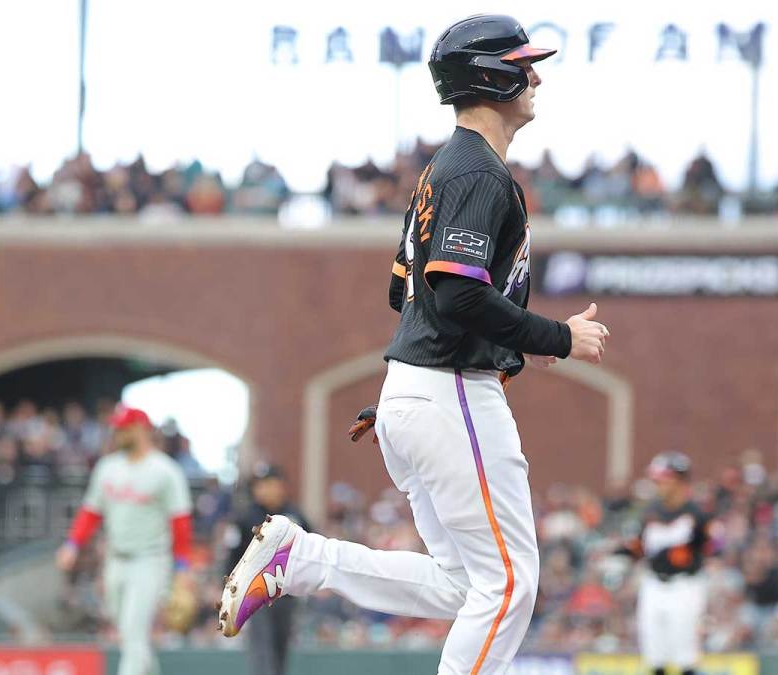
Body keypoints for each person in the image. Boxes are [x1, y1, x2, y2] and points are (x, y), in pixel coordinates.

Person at [216, 15, 609, 674]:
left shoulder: (445, 170)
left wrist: (516, 345)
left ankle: (304, 558)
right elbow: (452, 296)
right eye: (523, 62)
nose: (535, 74)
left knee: (465, 585)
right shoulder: (476, 172)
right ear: (492, 74)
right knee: (509, 583)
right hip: (449, 391)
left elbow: (409, 293)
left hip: (421, 388)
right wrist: (557, 336)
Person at [56, 405, 193, 675]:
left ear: (140, 429)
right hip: (115, 560)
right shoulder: (108, 468)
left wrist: (182, 567)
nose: (117, 433)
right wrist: (72, 544)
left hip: (150, 560)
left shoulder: (165, 471)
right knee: (130, 635)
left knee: (133, 629)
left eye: (123, 428)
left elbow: (180, 523)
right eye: (116, 428)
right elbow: (91, 512)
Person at [617, 452, 711, 675]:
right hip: (653, 584)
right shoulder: (650, 512)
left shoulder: (696, 514)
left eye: (664, 478)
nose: (659, 484)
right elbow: (638, 548)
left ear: (680, 480)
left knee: (685, 655)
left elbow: (711, 546)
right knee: (653, 653)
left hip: (685, 584)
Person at [225, 463, 310, 675]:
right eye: (260, 485)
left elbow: (312, 550)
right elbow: (231, 556)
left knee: (280, 649)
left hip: (287, 594)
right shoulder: (245, 518)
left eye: (270, 484)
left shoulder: (295, 515)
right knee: (261, 649)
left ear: (281, 486)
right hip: (254, 593)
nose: (265, 490)